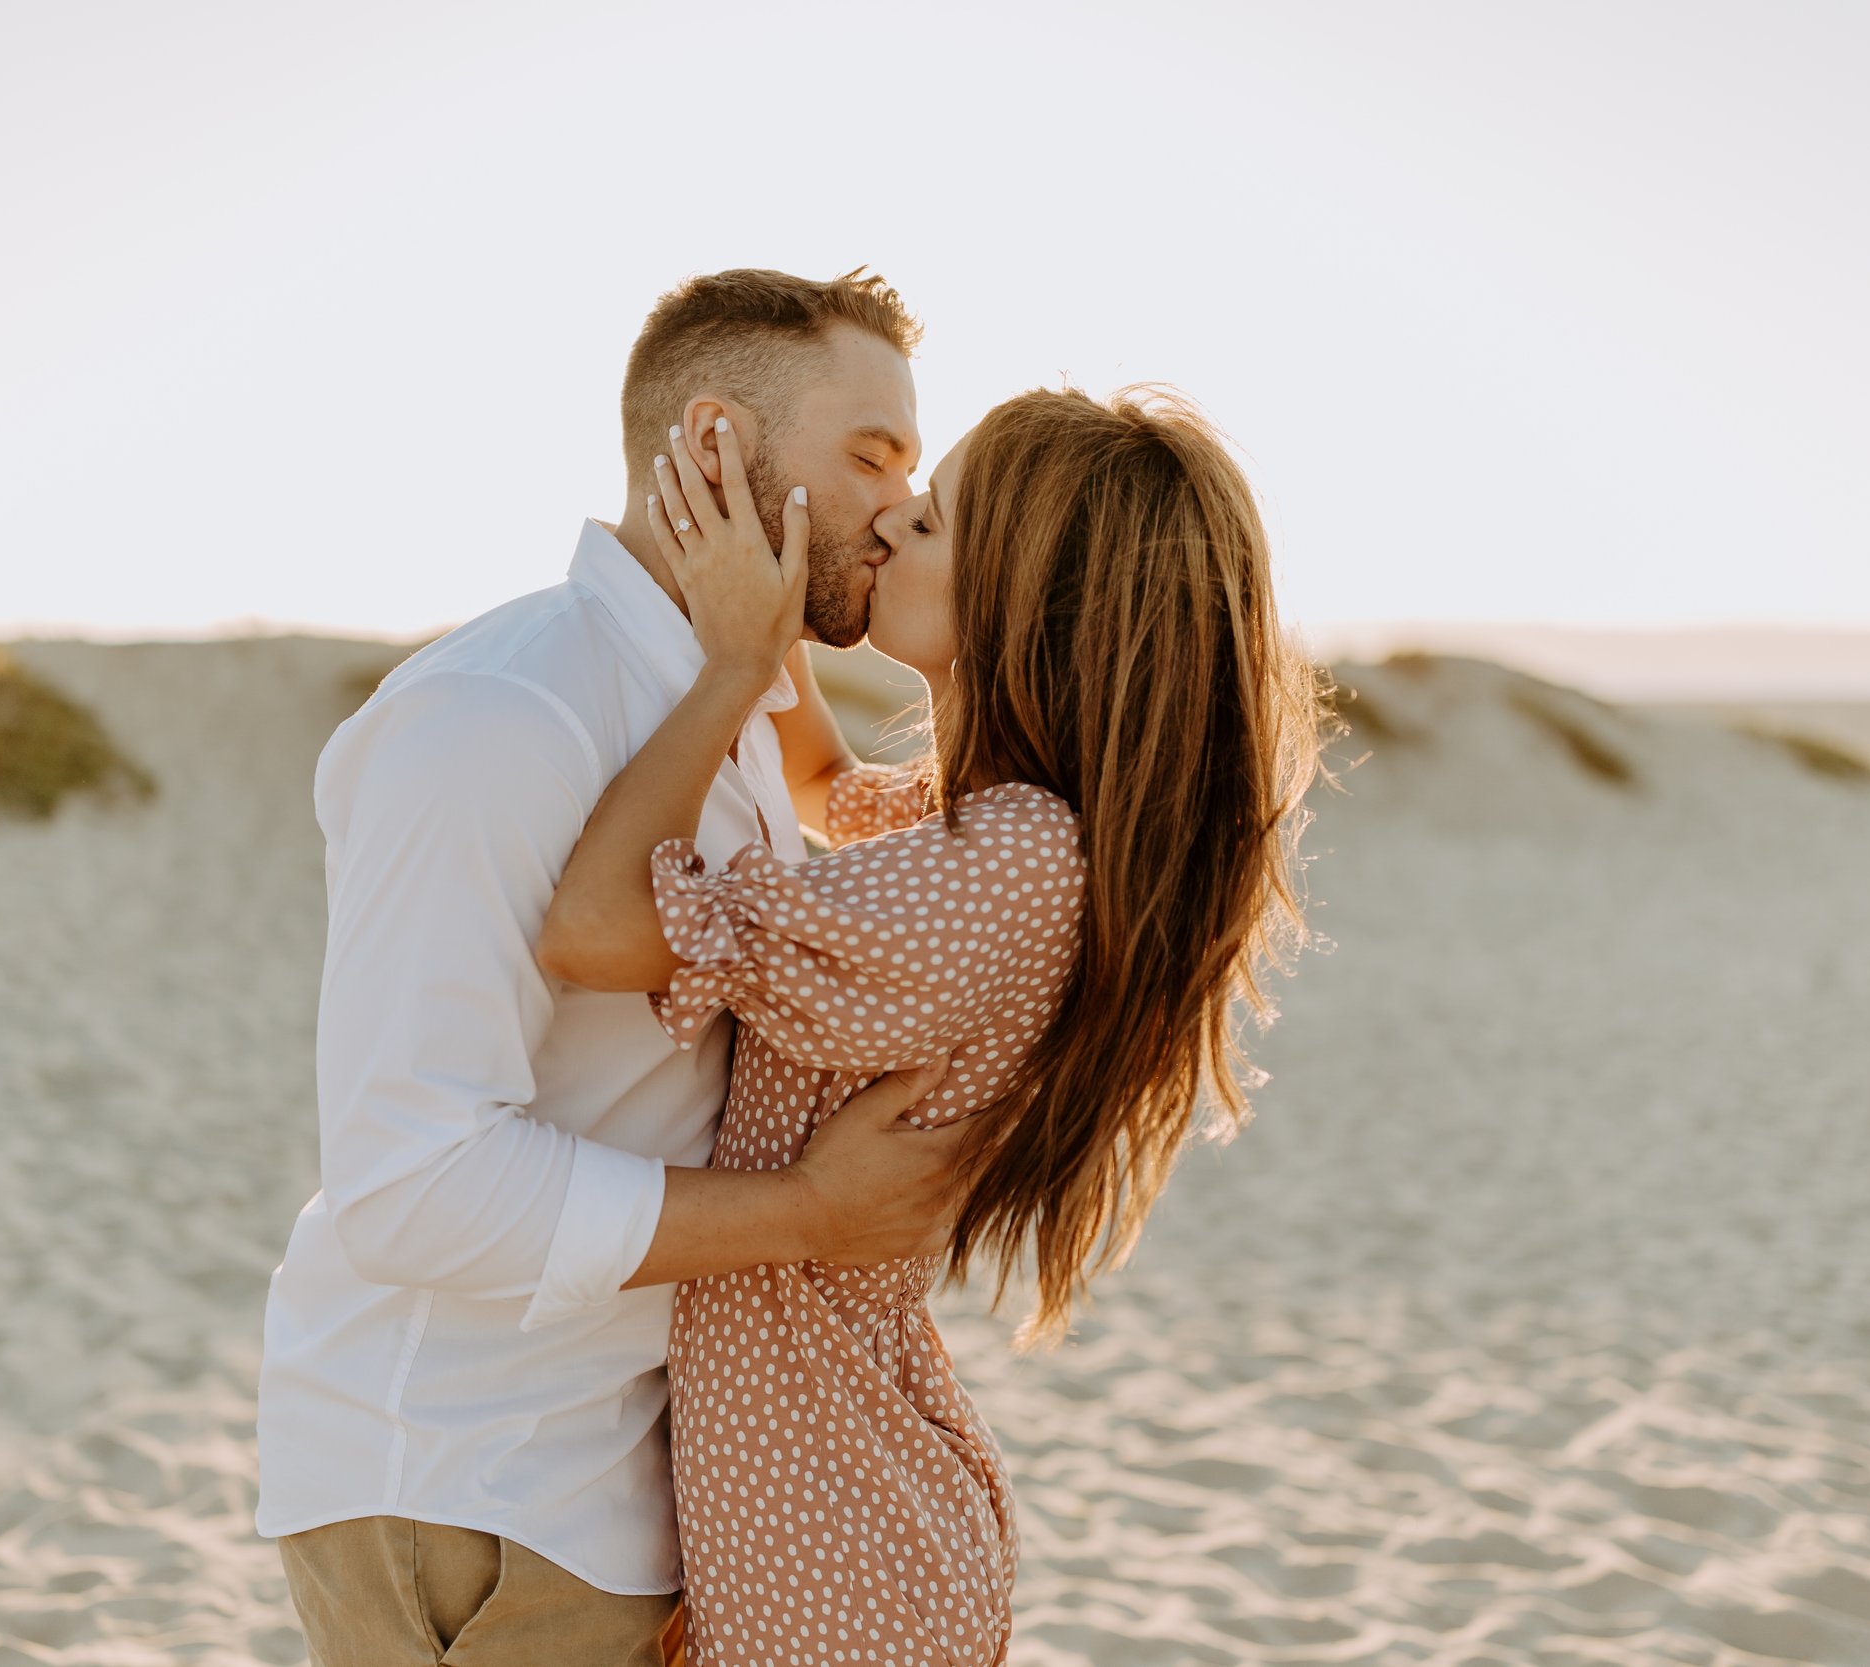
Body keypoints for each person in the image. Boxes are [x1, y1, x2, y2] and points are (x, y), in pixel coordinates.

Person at [538, 384, 1324, 1664]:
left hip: (837, 1533)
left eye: (938, 517)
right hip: (835, 1490)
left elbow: (596, 926)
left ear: (1032, 596)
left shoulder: (1012, 859)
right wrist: (771, 579)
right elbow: (819, 783)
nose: (893, 519)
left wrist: (735, 661)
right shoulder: (1005, 829)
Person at [256, 268, 974, 1667]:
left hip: (618, 1481)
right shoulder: (499, 714)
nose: (899, 507)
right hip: (473, 1481)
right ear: (715, 446)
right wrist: (811, 1213)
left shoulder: (742, 708)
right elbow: (410, 1180)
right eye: (871, 456)